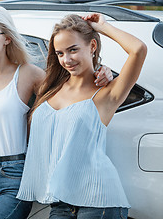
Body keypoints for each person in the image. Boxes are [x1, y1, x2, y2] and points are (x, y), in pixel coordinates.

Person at [0, 5, 113, 219]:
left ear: (7, 37)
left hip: (12, 174)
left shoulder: (27, 74)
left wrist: (101, 69)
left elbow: (70, 90)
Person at [17, 13, 147, 219]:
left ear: (92, 46)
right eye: (60, 53)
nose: (66, 60)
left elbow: (138, 50)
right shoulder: (50, 88)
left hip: (99, 202)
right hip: (59, 202)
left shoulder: (107, 93)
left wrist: (103, 26)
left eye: (73, 50)